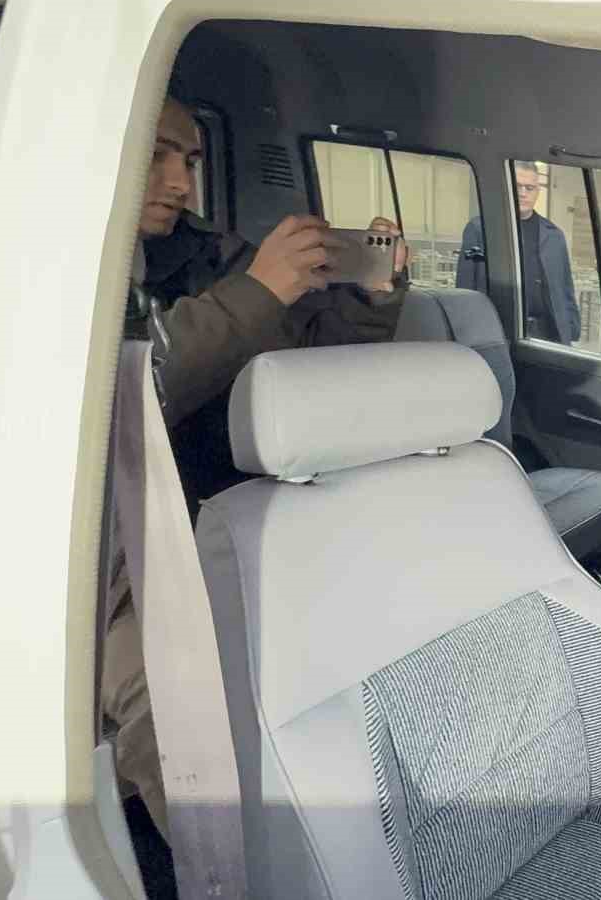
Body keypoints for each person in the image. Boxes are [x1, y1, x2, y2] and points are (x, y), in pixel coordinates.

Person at [105, 95, 409, 839]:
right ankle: (244, 862)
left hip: (229, 504)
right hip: (107, 548)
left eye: (189, 161)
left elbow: (311, 371)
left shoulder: (214, 254)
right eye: (155, 155)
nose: (179, 181)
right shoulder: (38, 260)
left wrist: (370, 299)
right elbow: (118, 392)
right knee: (178, 709)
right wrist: (257, 292)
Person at [455, 162, 581, 344]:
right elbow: (465, 287)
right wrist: (467, 334)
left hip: (548, 334)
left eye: (529, 188)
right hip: (497, 332)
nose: (523, 193)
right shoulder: (479, 230)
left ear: (537, 191)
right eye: (517, 186)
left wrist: (570, 329)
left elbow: (565, 287)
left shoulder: (554, 236)